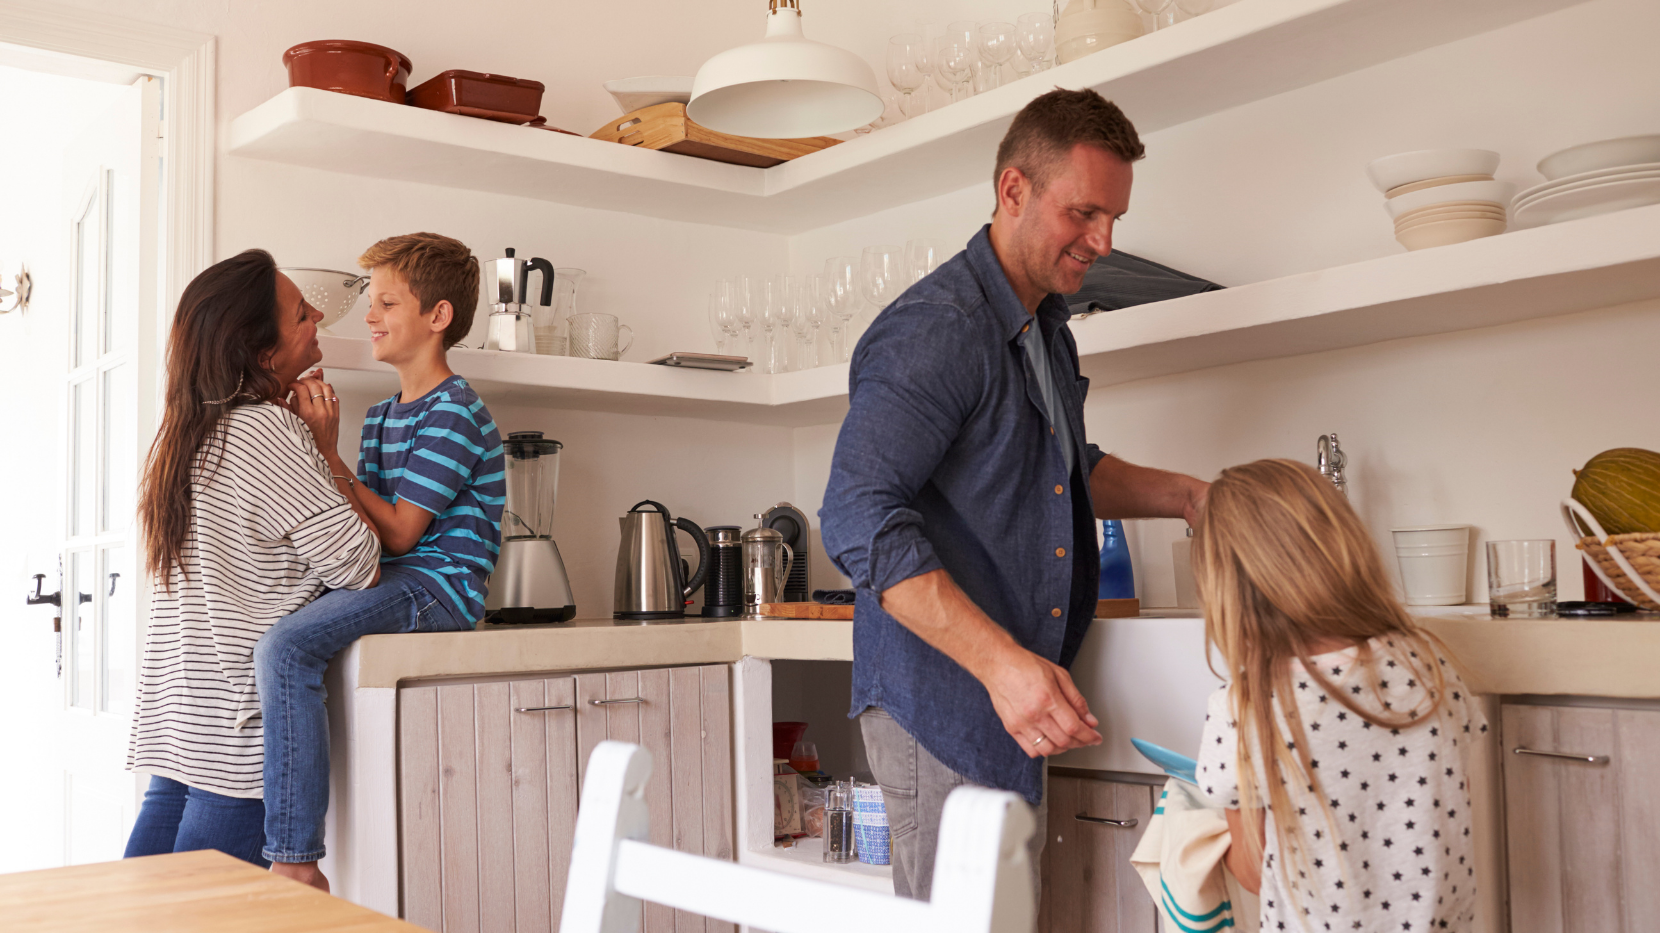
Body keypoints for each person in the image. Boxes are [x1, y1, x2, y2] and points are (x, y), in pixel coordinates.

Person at [818, 87, 1210, 901]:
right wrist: (1005, 668)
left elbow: (1063, 465)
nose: (1102, 240)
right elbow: (856, 517)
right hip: (946, 703)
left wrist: (1189, 496)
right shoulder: (940, 329)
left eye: (1114, 219)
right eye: (1084, 213)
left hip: (1005, 698)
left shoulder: (1044, 325)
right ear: (1013, 191)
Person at [254, 232, 503, 890]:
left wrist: (328, 455)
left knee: (286, 646)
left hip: (439, 590)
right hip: (398, 579)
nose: (369, 316)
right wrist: (318, 451)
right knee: (276, 631)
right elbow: (359, 532)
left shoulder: (456, 412)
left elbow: (396, 533)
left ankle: (295, 859)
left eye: (387, 302)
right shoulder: (387, 415)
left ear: (437, 317)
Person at [125, 251, 382, 865]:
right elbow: (359, 565)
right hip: (236, 743)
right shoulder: (265, 429)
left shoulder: (186, 432)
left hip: (181, 729)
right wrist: (324, 449)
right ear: (262, 351)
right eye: (300, 313)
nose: (319, 313)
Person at [1191, 459, 1487, 932]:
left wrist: (1195, 837)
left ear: (1225, 586)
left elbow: (1252, 871)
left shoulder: (1243, 708)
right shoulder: (1428, 664)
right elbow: (1447, 815)